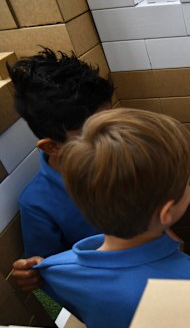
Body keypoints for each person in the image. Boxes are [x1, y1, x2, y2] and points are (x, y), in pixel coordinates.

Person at [16, 108, 190, 328]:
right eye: (185, 183)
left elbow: (50, 276)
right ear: (166, 213)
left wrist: (42, 268)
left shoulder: (60, 270)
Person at [8, 47, 114, 257]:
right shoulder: (38, 203)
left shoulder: (124, 157)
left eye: (113, 121)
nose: (115, 136)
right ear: (53, 147)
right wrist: (35, 282)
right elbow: (45, 275)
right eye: (97, 133)